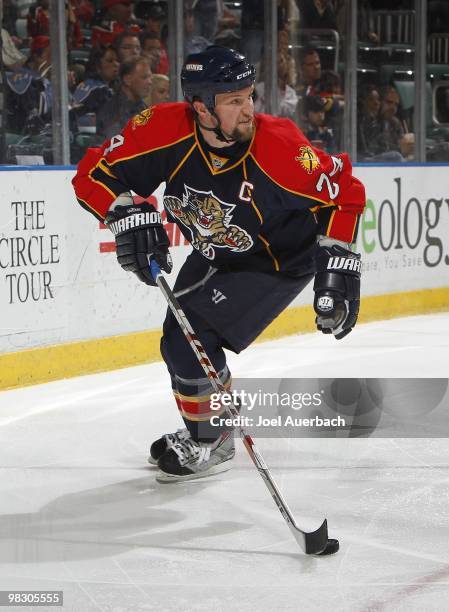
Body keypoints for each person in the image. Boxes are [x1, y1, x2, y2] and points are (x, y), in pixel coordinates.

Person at [73, 46, 365, 483]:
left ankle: (211, 438)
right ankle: (208, 430)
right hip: (215, 251)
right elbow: (93, 173)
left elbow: (345, 192)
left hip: (274, 261)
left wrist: (339, 261)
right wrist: (122, 213)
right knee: (178, 339)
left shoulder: (280, 147)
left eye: (249, 97)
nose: (247, 110)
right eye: (233, 101)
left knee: (190, 342)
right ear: (200, 109)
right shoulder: (162, 129)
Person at [96, 56, 152, 139]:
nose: (150, 82)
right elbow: (117, 145)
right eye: (144, 77)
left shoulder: (142, 107)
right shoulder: (112, 111)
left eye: (150, 77)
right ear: (127, 79)